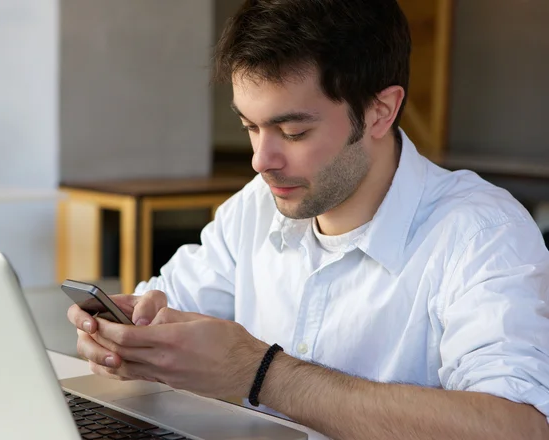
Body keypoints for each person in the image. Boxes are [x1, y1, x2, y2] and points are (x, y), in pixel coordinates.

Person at [68, 0, 549, 438]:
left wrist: (263, 374)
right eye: (250, 127)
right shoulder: (255, 206)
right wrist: (126, 339)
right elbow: (166, 307)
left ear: (381, 111)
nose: (261, 159)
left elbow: (518, 426)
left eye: (293, 131)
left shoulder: (483, 234)